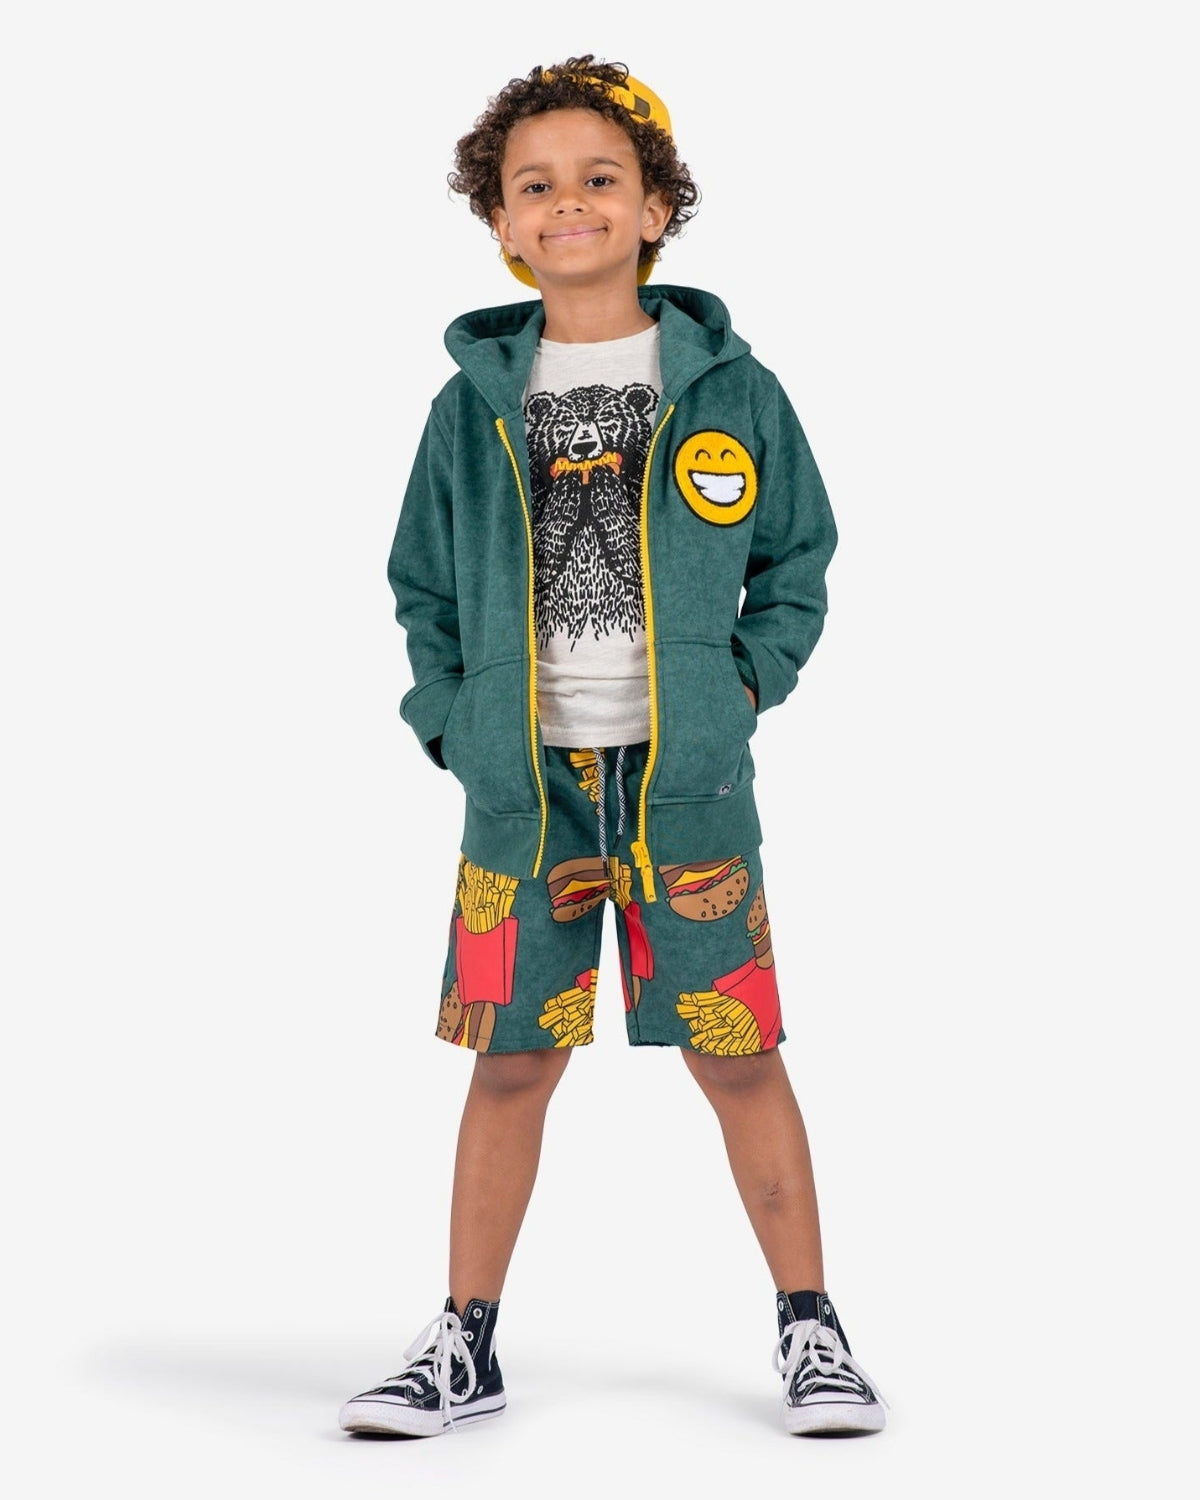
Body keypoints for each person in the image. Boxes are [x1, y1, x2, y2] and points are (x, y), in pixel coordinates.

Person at [339, 56, 887, 1440]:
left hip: (687, 790)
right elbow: (418, 582)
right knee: (509, 1060)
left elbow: (800, 559)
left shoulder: (732, 388)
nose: (568, 201)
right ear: (503, 224)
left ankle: (812, 1328)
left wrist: (742, 686)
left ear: (654, 209)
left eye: (600, 177)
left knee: (739, 1055)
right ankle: (464, 1342)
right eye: (536, 185)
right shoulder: (471, 406)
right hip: (522, 796)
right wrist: (451, 722)